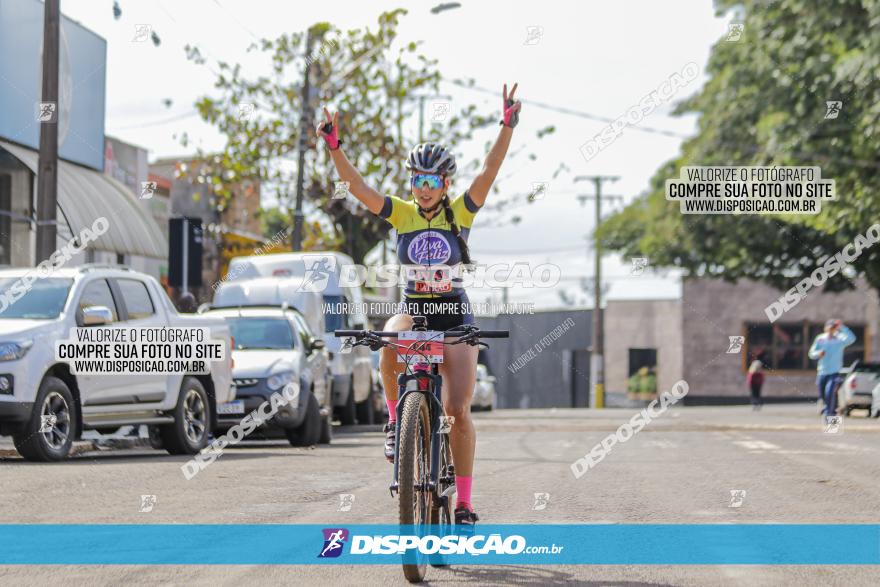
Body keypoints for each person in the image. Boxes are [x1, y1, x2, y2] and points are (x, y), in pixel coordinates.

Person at [317, 83, 522, 528]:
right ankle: (396, 422)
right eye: (417, 181)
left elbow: (490, 169)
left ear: (444, 183)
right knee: (388, 339)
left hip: (454, 311)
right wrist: (334, 146)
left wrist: (506, 125)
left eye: (431, 181)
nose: (424, 188)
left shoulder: (460, 213)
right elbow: (355, 186)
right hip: (415, 308)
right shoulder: (402, 213)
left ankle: (464, 501)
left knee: (458, 411)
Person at [808, 319, 855, 421]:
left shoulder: (840, 339)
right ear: (825, 328)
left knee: (830, 393)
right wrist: (818, 354)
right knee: (823, 395)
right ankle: (830, 411)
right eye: (829, 327)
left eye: (833, 327)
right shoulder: (820, 339)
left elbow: (852, 339)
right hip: (822, 372)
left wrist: (842, 327)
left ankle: (830, 417)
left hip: (834, 372)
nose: (831, 330)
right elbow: (811, 353)